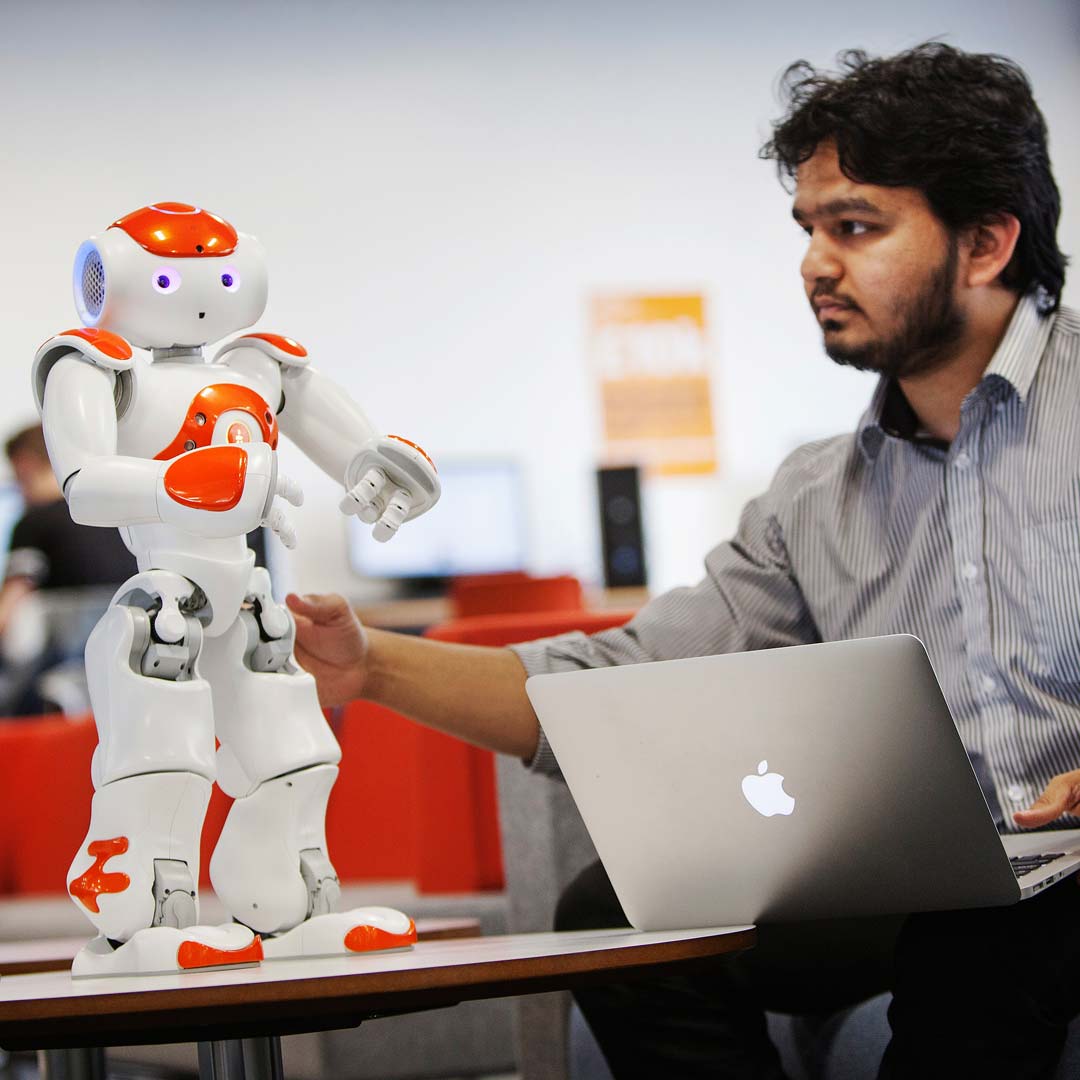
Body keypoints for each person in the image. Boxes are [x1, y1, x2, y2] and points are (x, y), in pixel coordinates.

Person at [287, 43, 1079, 1079]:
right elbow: (621, 686)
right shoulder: (814, 497)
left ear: (984, 245)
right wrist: (372, 666)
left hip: (1057, 879)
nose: (814, 265)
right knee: (612, 916)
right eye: (808, 230)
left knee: (980, 954)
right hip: (927, 876)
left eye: (856, 227)